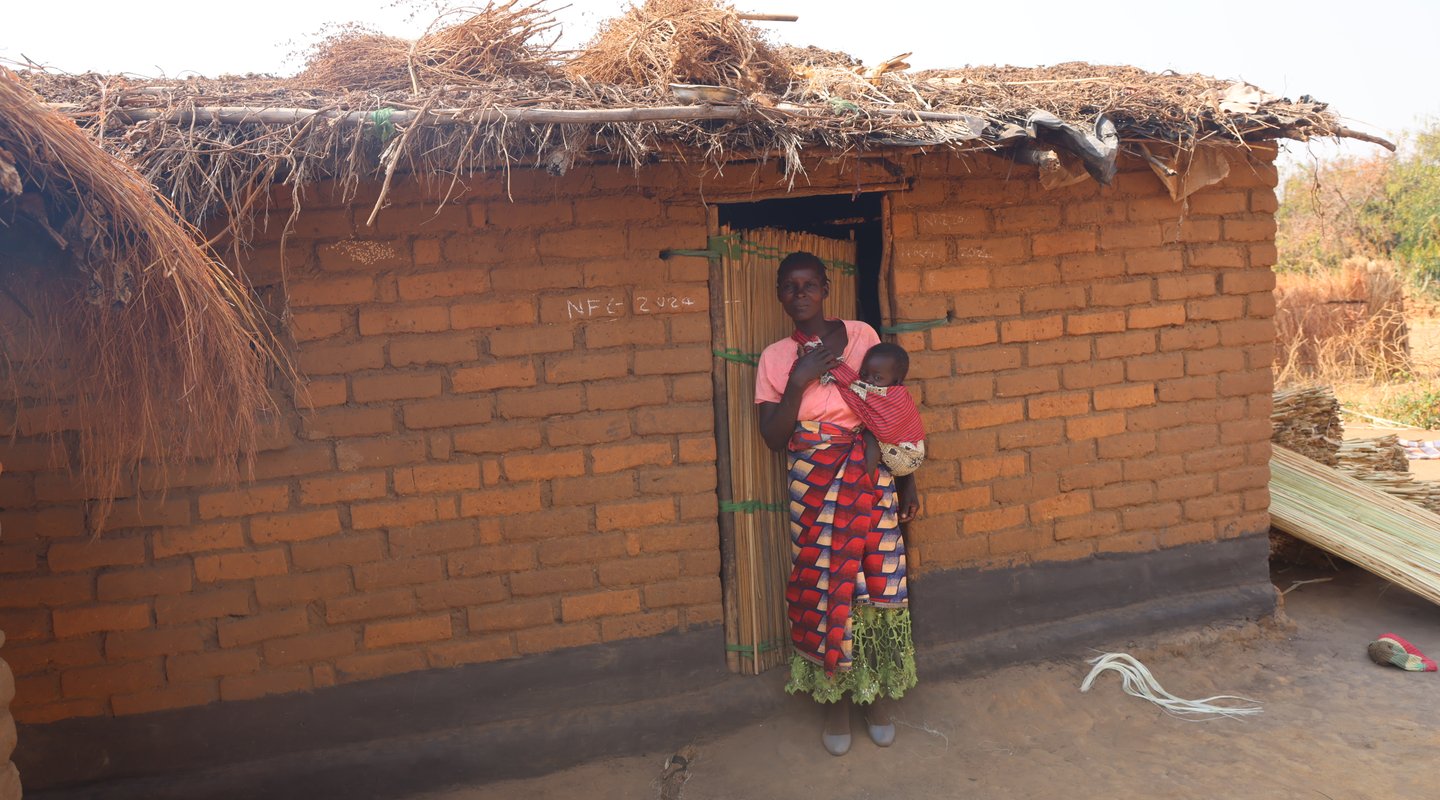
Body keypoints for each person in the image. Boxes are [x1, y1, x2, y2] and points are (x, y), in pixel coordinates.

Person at [754, 251, 920, 757]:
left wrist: (907, 479)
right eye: (789, 286)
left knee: (876, 583)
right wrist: (799, 379)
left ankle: (874, 698)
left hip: (870, 473)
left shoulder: (863, 337)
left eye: (809, 284)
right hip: (814, 481)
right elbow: (773, 437)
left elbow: (890, 411)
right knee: (824, 585)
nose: (799, 294)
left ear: (826, 288)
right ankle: (836, 702)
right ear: (780, 295)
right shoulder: (776, 358)